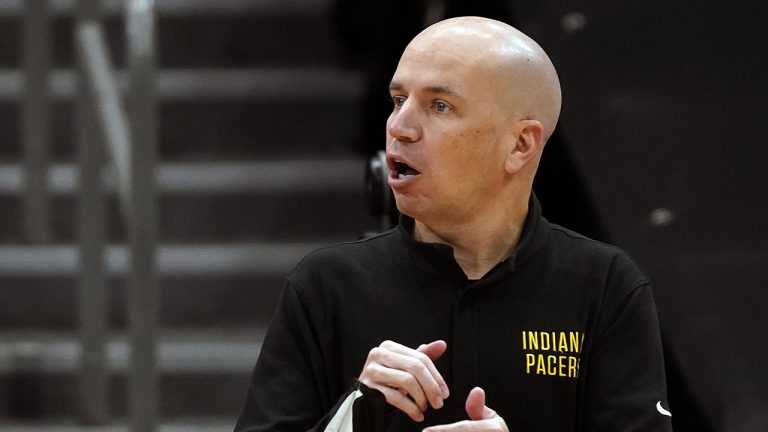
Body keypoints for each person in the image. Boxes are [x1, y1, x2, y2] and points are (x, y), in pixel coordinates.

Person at [235, 16, 672, 432]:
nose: (399, 128)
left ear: (521, 144)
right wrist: (354, 415)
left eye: (440, 106)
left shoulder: (604, 286)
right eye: (398, 100)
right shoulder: (325, 286)